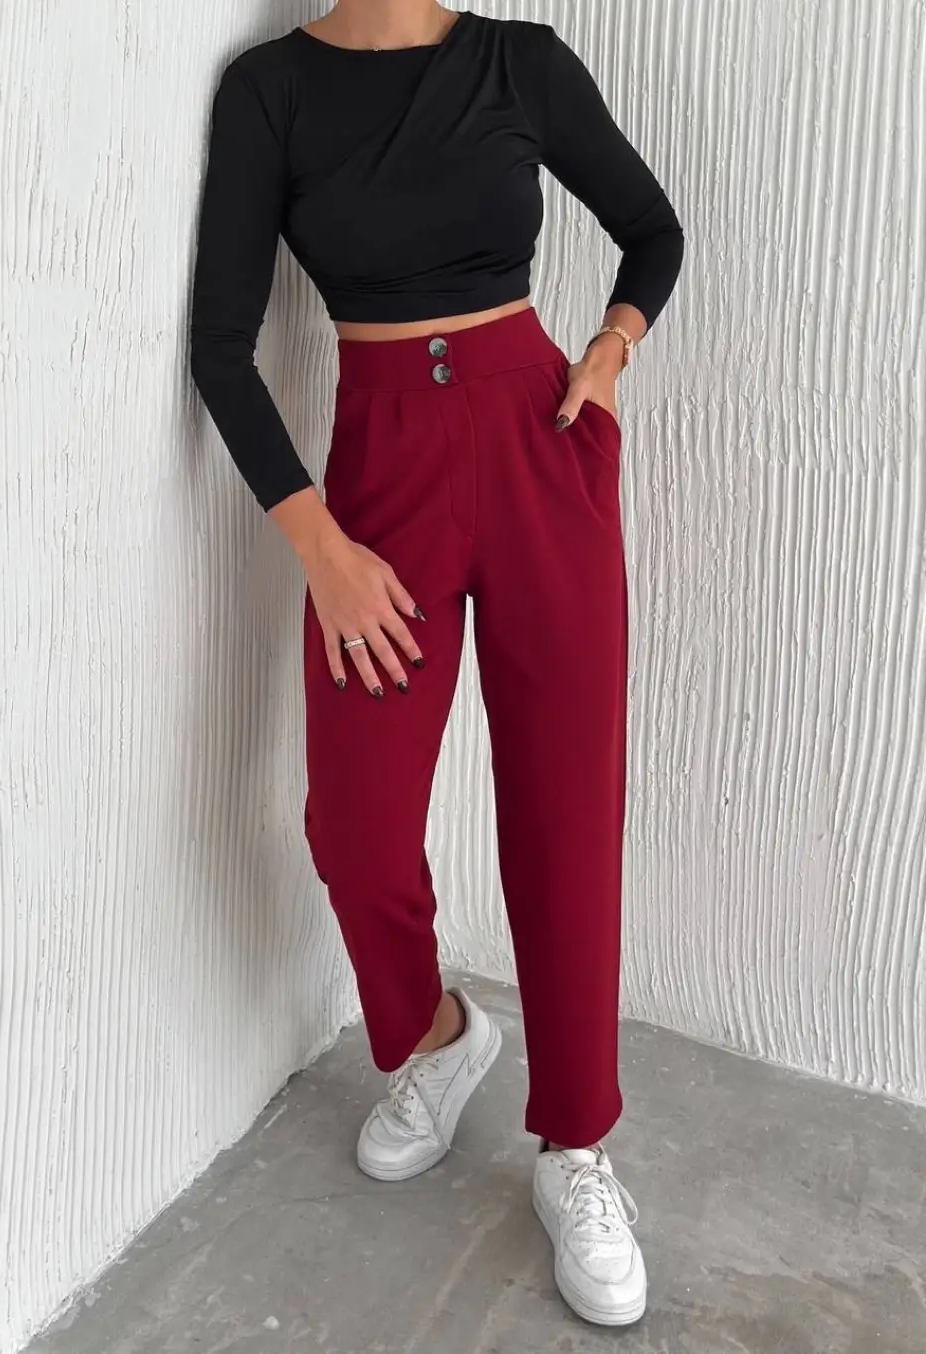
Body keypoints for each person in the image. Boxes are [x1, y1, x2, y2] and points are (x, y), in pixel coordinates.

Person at [189, 0, 683, 1328]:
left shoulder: (520, 62)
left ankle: (576, 1144)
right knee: (353, 825)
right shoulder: (271, 91)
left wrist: (608, 353)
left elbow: (653, 230)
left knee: (565, 813)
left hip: (537, 444)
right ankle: (440, 1036)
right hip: (381, 482)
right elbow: (220, 346)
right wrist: (321, 548)